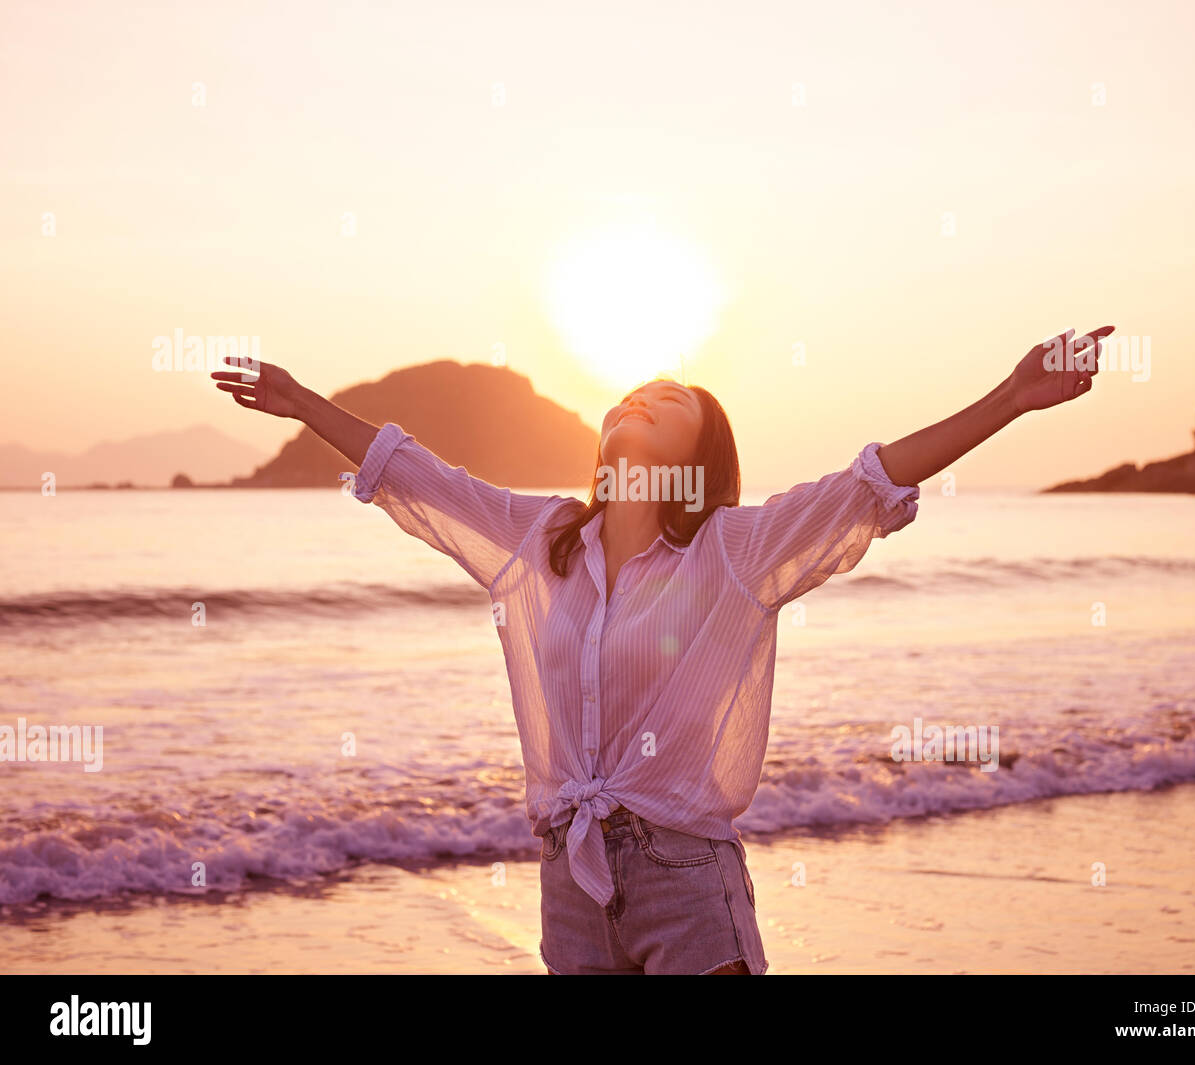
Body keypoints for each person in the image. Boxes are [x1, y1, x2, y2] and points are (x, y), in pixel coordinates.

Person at [211, 324, 1113, 973]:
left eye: (671, 401)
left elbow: (870, 480)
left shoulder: (735, 551)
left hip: (685, 875)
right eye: (636, 393)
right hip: (569, 878)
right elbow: (415, 474)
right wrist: (297, 403)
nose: (644, 399)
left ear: (698, 450)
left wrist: (1011, 398)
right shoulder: (540, 537)